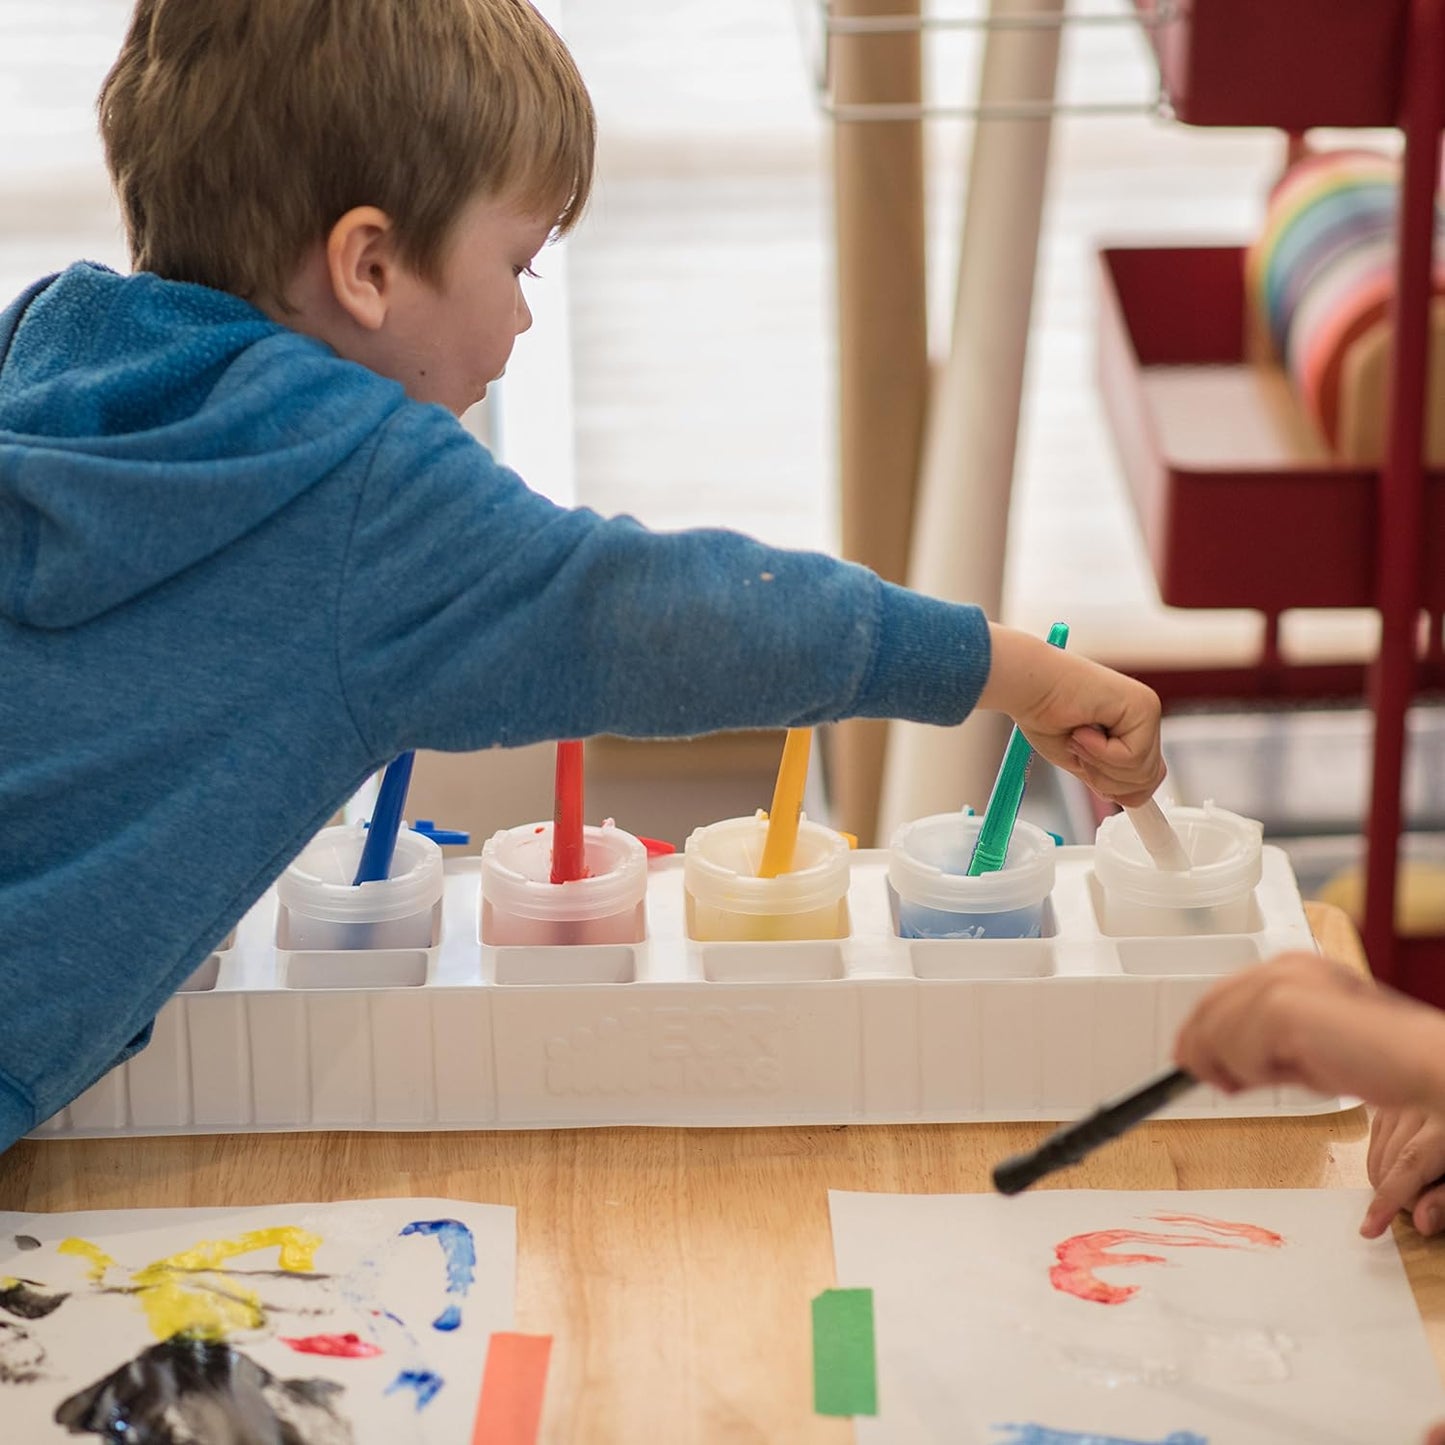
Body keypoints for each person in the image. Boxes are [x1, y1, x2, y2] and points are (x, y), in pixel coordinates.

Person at [0, 0, 1164, 1154]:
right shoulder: (362, 496)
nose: (519, 319)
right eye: (515, 263)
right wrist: (1010, 671)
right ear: (366, 267)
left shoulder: (47, 347)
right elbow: (668, 618)